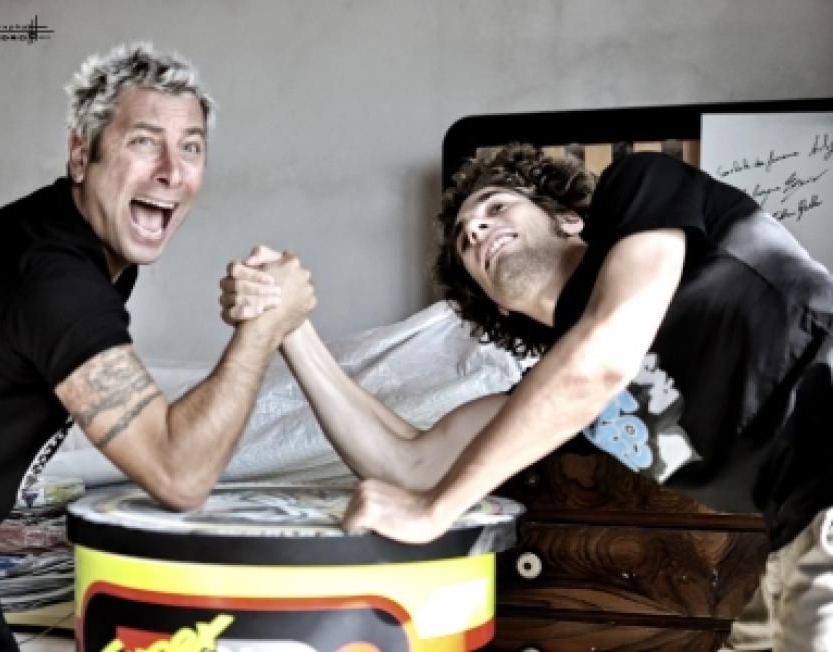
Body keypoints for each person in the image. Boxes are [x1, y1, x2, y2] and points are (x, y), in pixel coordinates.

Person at [223, 143, 833, 650]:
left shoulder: (641, 186)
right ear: (494, 302)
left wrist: (435, 510)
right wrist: (288, 328)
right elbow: (408, 463)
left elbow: (602, 356)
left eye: (495, 207)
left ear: (567, 219)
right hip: (795, 525)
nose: (476, 230)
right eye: (465, 242)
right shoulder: (564, 399)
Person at [0, 43, 314, 650]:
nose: (171, 171)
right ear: (81, 156)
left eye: (191, 147)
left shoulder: (94, 255)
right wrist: (262, 329)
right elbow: (179, 475)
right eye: (144, 141)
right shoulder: (56, 277)